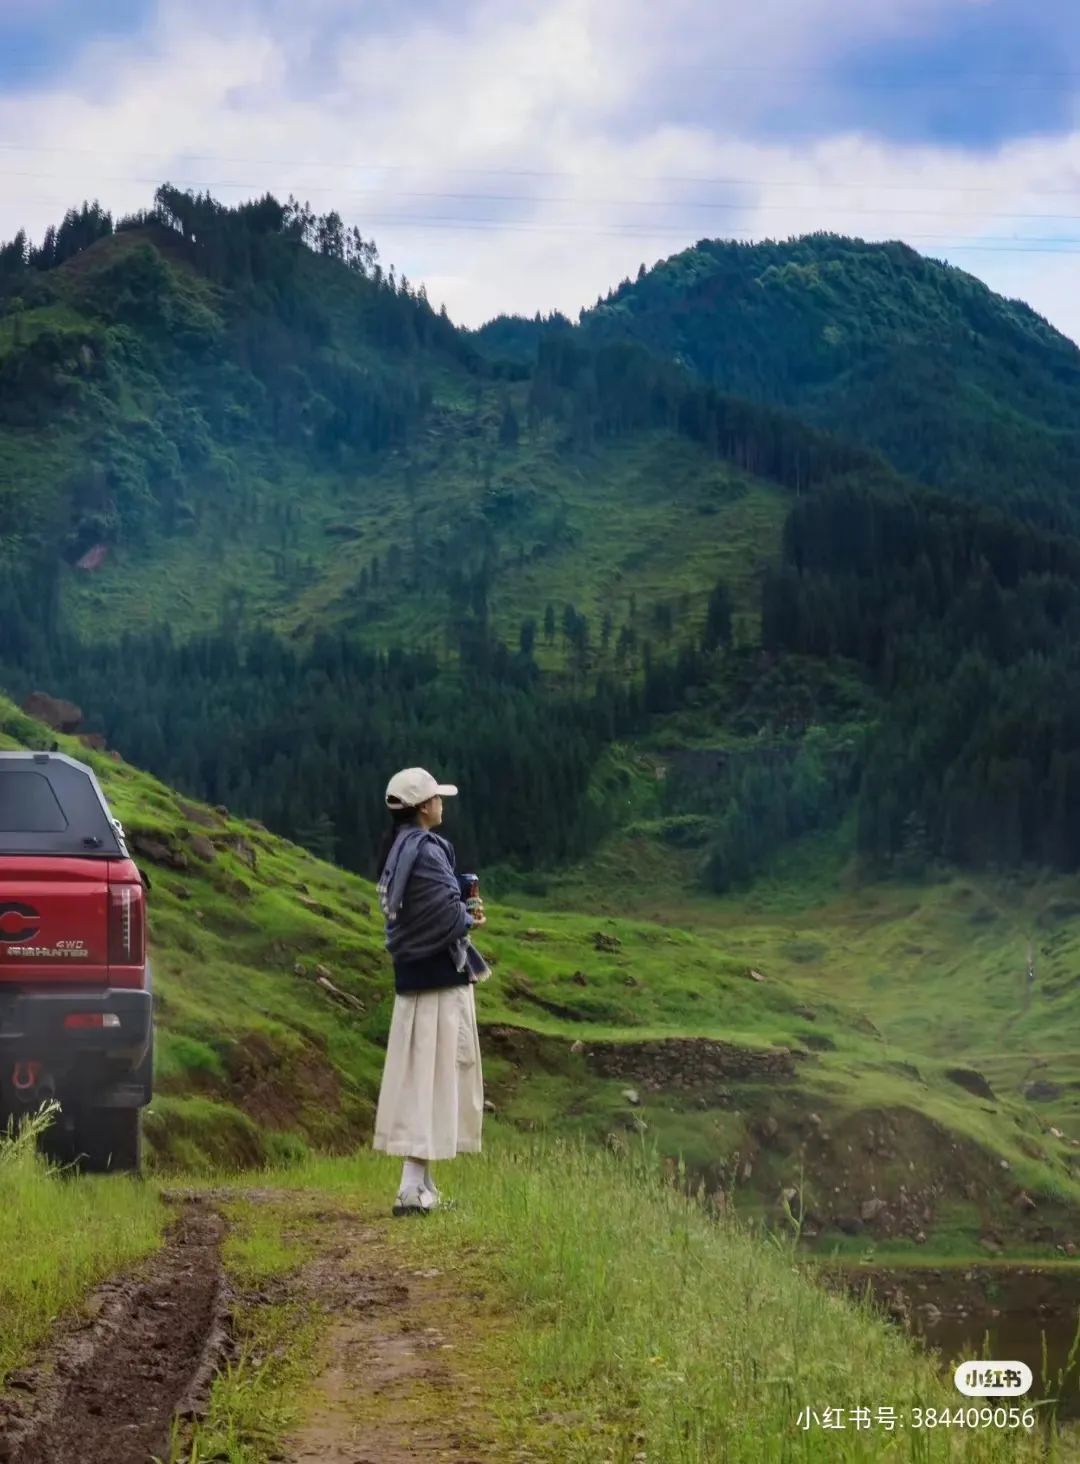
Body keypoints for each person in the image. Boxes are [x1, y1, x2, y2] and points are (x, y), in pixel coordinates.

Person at [372, 766, 491, 1217]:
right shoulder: (427, 851)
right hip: (440, 981)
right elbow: (444, 915)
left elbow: (422, 909)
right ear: (423, 807)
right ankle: (410, 1189)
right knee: (435, 1078)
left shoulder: (400, 849)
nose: (442, 804)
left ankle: (420, 1184)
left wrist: (455, 905)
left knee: (421, 1078)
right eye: (437, 798)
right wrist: (468, 917)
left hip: (415, 980)